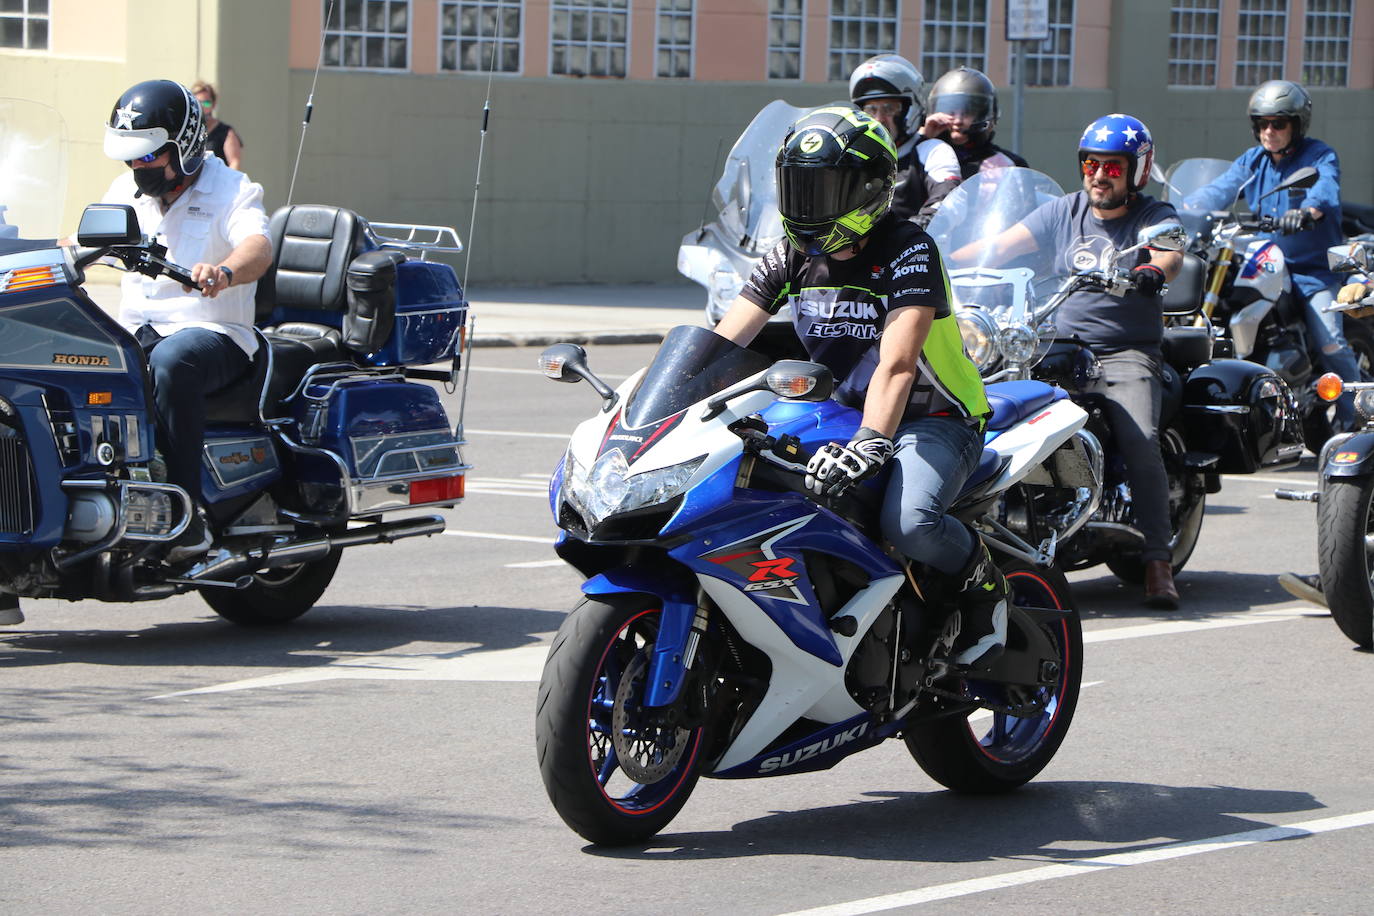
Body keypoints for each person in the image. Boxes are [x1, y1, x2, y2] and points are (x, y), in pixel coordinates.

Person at [714, 106, 1006, 669]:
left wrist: (872, 439)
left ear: (871, 189)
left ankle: (984, 588)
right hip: (837, 411)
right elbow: (723, 341)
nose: (808, 205)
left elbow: (897, 365)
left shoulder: (908, 248)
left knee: (910, 522)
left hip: (933, 418)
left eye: (824, 189)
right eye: (799, 188)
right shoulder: (791, 254)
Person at [948, 114, 1185, 608]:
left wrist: (1148, 273)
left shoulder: (1154, 216)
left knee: (1140, 438)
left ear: (1136, 172)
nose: (1099, 176)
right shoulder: (1063, 212)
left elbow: (1169, 254)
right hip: (1052, 341)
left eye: (1112, 167)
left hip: (1123, 353)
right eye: (1092, 165)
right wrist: (935, 256)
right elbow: (999, 245)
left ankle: (1159, 561)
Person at [100, 79, 272, 561]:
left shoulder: (232, 188)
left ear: (185, 147)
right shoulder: (125, 188)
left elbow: (258, 248)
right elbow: (82, 240)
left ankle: (185, 515)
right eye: (131, 158)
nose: (138, 167)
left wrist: (225, 271)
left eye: (149, 157)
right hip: (136, 331)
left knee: (174, 361)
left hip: (214, 333)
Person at [1184, 80, 1358, 432]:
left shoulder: (1319, 155)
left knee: (1330, 340)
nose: (1269, 131)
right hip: (1264, 261)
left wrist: (1307, 212)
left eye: (1278, 123)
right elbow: (1224, 187)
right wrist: (1186, 207)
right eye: (1262, 124)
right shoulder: (1253, 160)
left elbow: (1325, 189)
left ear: (1297, 124)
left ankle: (1358, 413)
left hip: (1311, 270)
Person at [849, 54, 962, 228]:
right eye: (871, 109)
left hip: (916, 251)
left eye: (889, 108)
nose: (879, 119)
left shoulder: (932, 151)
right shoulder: (853, 157)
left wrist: (912, 231)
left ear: (910, 109)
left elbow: (949, 200)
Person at [920, 67, 1028, 179]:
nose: (958, 121)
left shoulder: (1008, 165)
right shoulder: (921, 157)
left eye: (967, 113)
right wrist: (924, 140)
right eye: (951, 113)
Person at [191, 80, 244, 171]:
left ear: (214, 104)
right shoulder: (189, 131)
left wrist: (227, 184)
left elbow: (234, 163)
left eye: (207, 103)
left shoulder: (226, 132)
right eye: (198, 103)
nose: (202, 107)